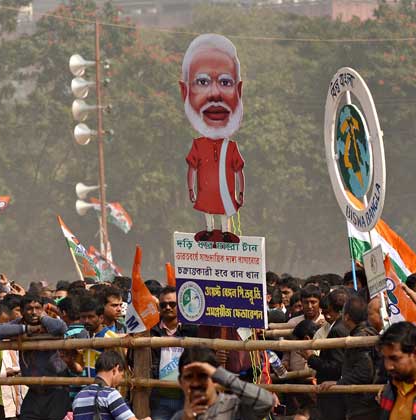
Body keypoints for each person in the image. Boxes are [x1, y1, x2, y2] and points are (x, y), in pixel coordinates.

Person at [181, 33, 246, 243]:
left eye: (225, 82)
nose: (215, 94)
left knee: (225, 209)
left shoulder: (232, 147)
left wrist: (241, 193)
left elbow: (239, 172)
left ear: (238, 91)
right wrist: (191, 189)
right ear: (184, 92)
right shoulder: (197, 146)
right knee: (208, 209)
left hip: (226, 196)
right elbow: (192, 170)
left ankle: (226, 231)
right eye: (202, 82)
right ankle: (209, 230)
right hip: (205, 194)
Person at [0, 295, 69, 420]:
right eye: (29, 309)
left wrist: (43, 317)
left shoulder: (50, 322)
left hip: (56, 390)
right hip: (34, 391)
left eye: (37, 308)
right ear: (22, 311)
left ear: (43, 309)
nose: (34, 312)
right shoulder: (20, 323)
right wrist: (28, 329)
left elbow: (61, 328)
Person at [172, 347, 274, 420]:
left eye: (203, 376)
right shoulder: (180, 417)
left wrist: (221, 375)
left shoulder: (235, 407)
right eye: (189, 377)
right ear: (181, 382)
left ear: (215, 379)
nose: (195, 383)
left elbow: (267, 402)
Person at [150, 287, 197, 420]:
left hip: (186, 394)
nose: (168, 307)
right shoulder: (151, 331)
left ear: (181, 305)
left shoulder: (192, 330)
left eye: (172, 304)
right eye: (163, 305)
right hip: (159, 395)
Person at [305, 288, 348, 420]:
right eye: (324, 313)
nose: (326, 316)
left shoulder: (337, 330)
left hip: (333, 393)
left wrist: (311, 357)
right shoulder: (340, 327)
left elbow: (335, 367)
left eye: (328, 312)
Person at [70, 350, 148, 420]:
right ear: (115, 369)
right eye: (122, 375)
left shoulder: (78, 397)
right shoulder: (111, 395)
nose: (120, 380)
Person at [336, 294, 379, 420]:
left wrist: (338, 383)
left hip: (363, 404)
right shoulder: (370, 332)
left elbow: (364, 372)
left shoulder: (359, 339)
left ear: (346, 316)